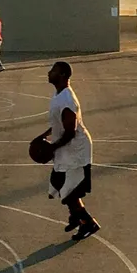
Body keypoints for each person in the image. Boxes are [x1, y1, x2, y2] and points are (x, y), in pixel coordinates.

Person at [45, 60, 99, 240]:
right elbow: (58, 124)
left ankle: (88, 223)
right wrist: (44, 136)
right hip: (66, 149)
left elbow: (70, 131)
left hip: (76, 150)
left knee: (70, 192)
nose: (49, 73)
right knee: (58, 181)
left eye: (53, 70)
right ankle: (76, 216)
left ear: (62, 75)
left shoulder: (67, 99)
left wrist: (52, 147)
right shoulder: (58, 94)